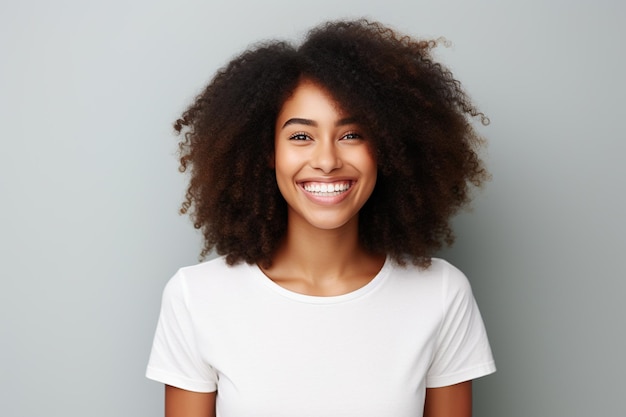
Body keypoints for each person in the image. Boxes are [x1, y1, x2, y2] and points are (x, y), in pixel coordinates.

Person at [147, 19, 496, 417]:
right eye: (300, 136)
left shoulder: (441, 294)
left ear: (387, 147)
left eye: (351, 135)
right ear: (266, 152)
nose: (328, 161)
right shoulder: (197, 298)